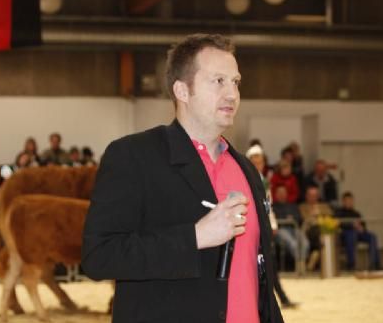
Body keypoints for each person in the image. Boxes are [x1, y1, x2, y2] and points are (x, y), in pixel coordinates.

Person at [82, 34, 283, 323]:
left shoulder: (246, 170)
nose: (232, 94)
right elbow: (99, 256)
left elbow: (260, 278)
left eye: (236, 82)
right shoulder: (134, 156)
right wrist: (194, 237)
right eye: (218, 81)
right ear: (182, 91)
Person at [246, 146, 296, 309]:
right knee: (265, 265)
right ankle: (280, 298)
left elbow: (268, 206)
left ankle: (280, 298)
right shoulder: (247, 177)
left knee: (269, 264)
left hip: (264, 226)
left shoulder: (264, 180)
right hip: (252, 227)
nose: (257, 164)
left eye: (260, 161)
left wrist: (271, 224)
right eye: (254, 161)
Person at [335, 192, 381, 270]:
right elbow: (338, 224)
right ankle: (351, 264)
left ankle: (374, 264)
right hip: (345, 234)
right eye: (347, 200)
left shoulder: (356, 213)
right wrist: (351, 225)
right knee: (351, 235)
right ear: (343, 201)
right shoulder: (339, 213)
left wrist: (361, 228)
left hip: (358, 233)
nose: (349, 202)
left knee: (372, 236)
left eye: (351, 200)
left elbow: (363, 224)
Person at [272, 185, 309, 266]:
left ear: (286, 194)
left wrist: (293, 218)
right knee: (293, 243)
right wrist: (286, 218)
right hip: (280, 230)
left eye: (283, 192)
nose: (282, 194)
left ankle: (302, 264)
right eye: (280, 193)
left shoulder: (293, 206)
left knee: (305, 243)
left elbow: (299, 218)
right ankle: (299, 266)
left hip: (294, 229)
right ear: (276, 194)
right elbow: (273, 219)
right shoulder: (272, 207)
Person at [299, 186, 334, 271]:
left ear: (318, 196)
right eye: (310, 195)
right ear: (307, 196)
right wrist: (318, 215)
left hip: (323, 230)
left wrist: (317, 214)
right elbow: (305, 218)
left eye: (315, 195)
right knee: (317, 232)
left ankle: (316, 253)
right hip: (309, 230)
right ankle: (317, 253)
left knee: (323, 233)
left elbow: (330, 216)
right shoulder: (303, 207)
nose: (313, 197)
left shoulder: (324, 206)